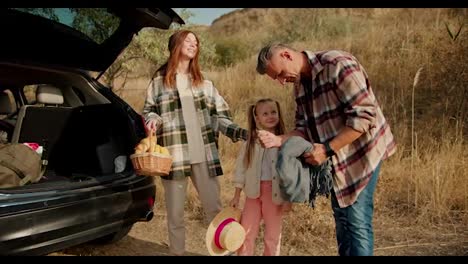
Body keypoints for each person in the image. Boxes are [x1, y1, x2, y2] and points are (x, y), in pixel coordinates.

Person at [255, 43, 396, 256]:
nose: (282, 82)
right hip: (335, 158)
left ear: (286, 55)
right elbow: (304, 128)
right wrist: (279, 139)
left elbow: (365, 117)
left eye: (281, 74)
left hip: (362, 153)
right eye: (277, 79)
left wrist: (327, 149)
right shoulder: (299, 85)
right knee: (342, 218)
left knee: (356, 220)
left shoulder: (338, 64)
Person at [142, 30, 247, 256]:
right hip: (175, 157)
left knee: (215, 211)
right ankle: (177, 253)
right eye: (188, 40)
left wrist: (242, 133)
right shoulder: (159, 83)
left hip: (204, 156)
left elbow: (221, 118)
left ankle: (223, 253)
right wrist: (152, 121)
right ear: (175, 46)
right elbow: (150, 111)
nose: (193, 44)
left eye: (195, 42)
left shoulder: (205, 84)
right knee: (175, 214)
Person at [229, 98, 292, 256]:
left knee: (272, 236)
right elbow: (241, 170)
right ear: (257, 118)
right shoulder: (250, 143)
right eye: (265, 113)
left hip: (274, 195)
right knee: (245, 233)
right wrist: (236, 195)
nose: (270, 116)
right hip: (252, 194)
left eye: (273, 112)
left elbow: (290, 174)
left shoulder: (284, 143)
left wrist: (288, 199)